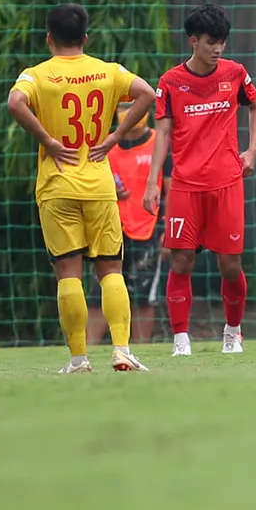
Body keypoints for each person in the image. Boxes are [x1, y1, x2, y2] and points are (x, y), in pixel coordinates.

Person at [6, 3, 155, 373]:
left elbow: (14, 103)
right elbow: (148, 94)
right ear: (86, 38)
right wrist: (117, 135)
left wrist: (48, 140)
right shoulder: (108, 71)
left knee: (68, 273)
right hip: (100, 186)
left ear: (49, 38)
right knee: (111, 271)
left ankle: (78, 359)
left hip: (57, 186)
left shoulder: (36, 75)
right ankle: (122, 350)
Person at [145, 4, 256, 357]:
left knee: (230, 265)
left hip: (227, 183)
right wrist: (153, 181)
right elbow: (162, 134)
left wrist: (252, 150)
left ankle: (232, 332)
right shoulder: (169, 82)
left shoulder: (234, 73)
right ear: (193, 41)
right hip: (185, 186)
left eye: (223, 42)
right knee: (180, 261)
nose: (218, 49)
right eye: (212, 42)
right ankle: (181, 339)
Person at [87, 104, 172, 345]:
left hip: (149, 230)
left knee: (144, 298)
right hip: (111, 228)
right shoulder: (107, 146)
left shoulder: (160, 142)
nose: (129, 111)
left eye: (134, 106)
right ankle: (86, 352)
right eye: (123, 106)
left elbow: (171, 187)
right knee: (99, 293)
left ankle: (140, 350)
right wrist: (108, 188)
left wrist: (168, 228)